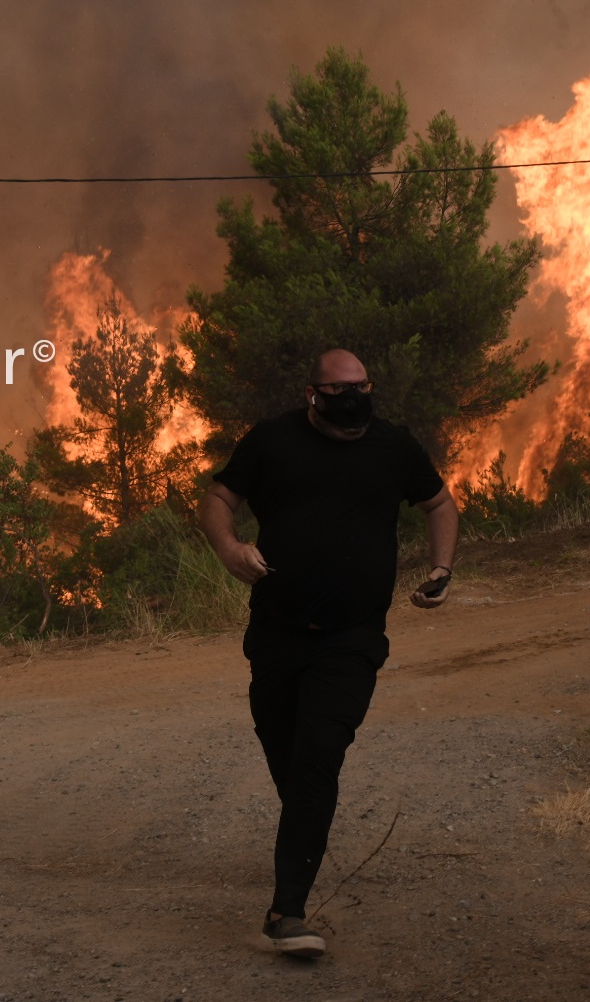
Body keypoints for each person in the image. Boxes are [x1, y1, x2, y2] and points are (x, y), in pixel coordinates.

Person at [197, 348, 459, 957]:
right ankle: (306, 829)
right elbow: (216, 503)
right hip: (278, 635)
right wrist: (230, 549)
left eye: (361, 388)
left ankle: (286, 912)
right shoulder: (270, 441)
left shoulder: (394, 446)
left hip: (353, 637)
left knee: (317, 758)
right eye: (339, 390)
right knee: (286, 753)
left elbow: (439, 504)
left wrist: (441, 565)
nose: (352, 400)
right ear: (312, 393)